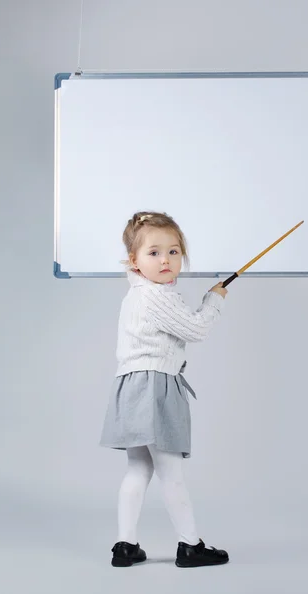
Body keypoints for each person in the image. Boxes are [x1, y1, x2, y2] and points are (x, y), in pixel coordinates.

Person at [99, 211, 229, 568]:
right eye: (154, 253)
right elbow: (197, 330)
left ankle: (125, 545)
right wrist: (214, 300)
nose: (166, 260)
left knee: (139, 468)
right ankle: (190, 545)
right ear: (134, 261)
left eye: (174, 251)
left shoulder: (138, 294)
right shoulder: (156, 297)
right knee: (170, 472)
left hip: (131, 385)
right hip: (154, 385)